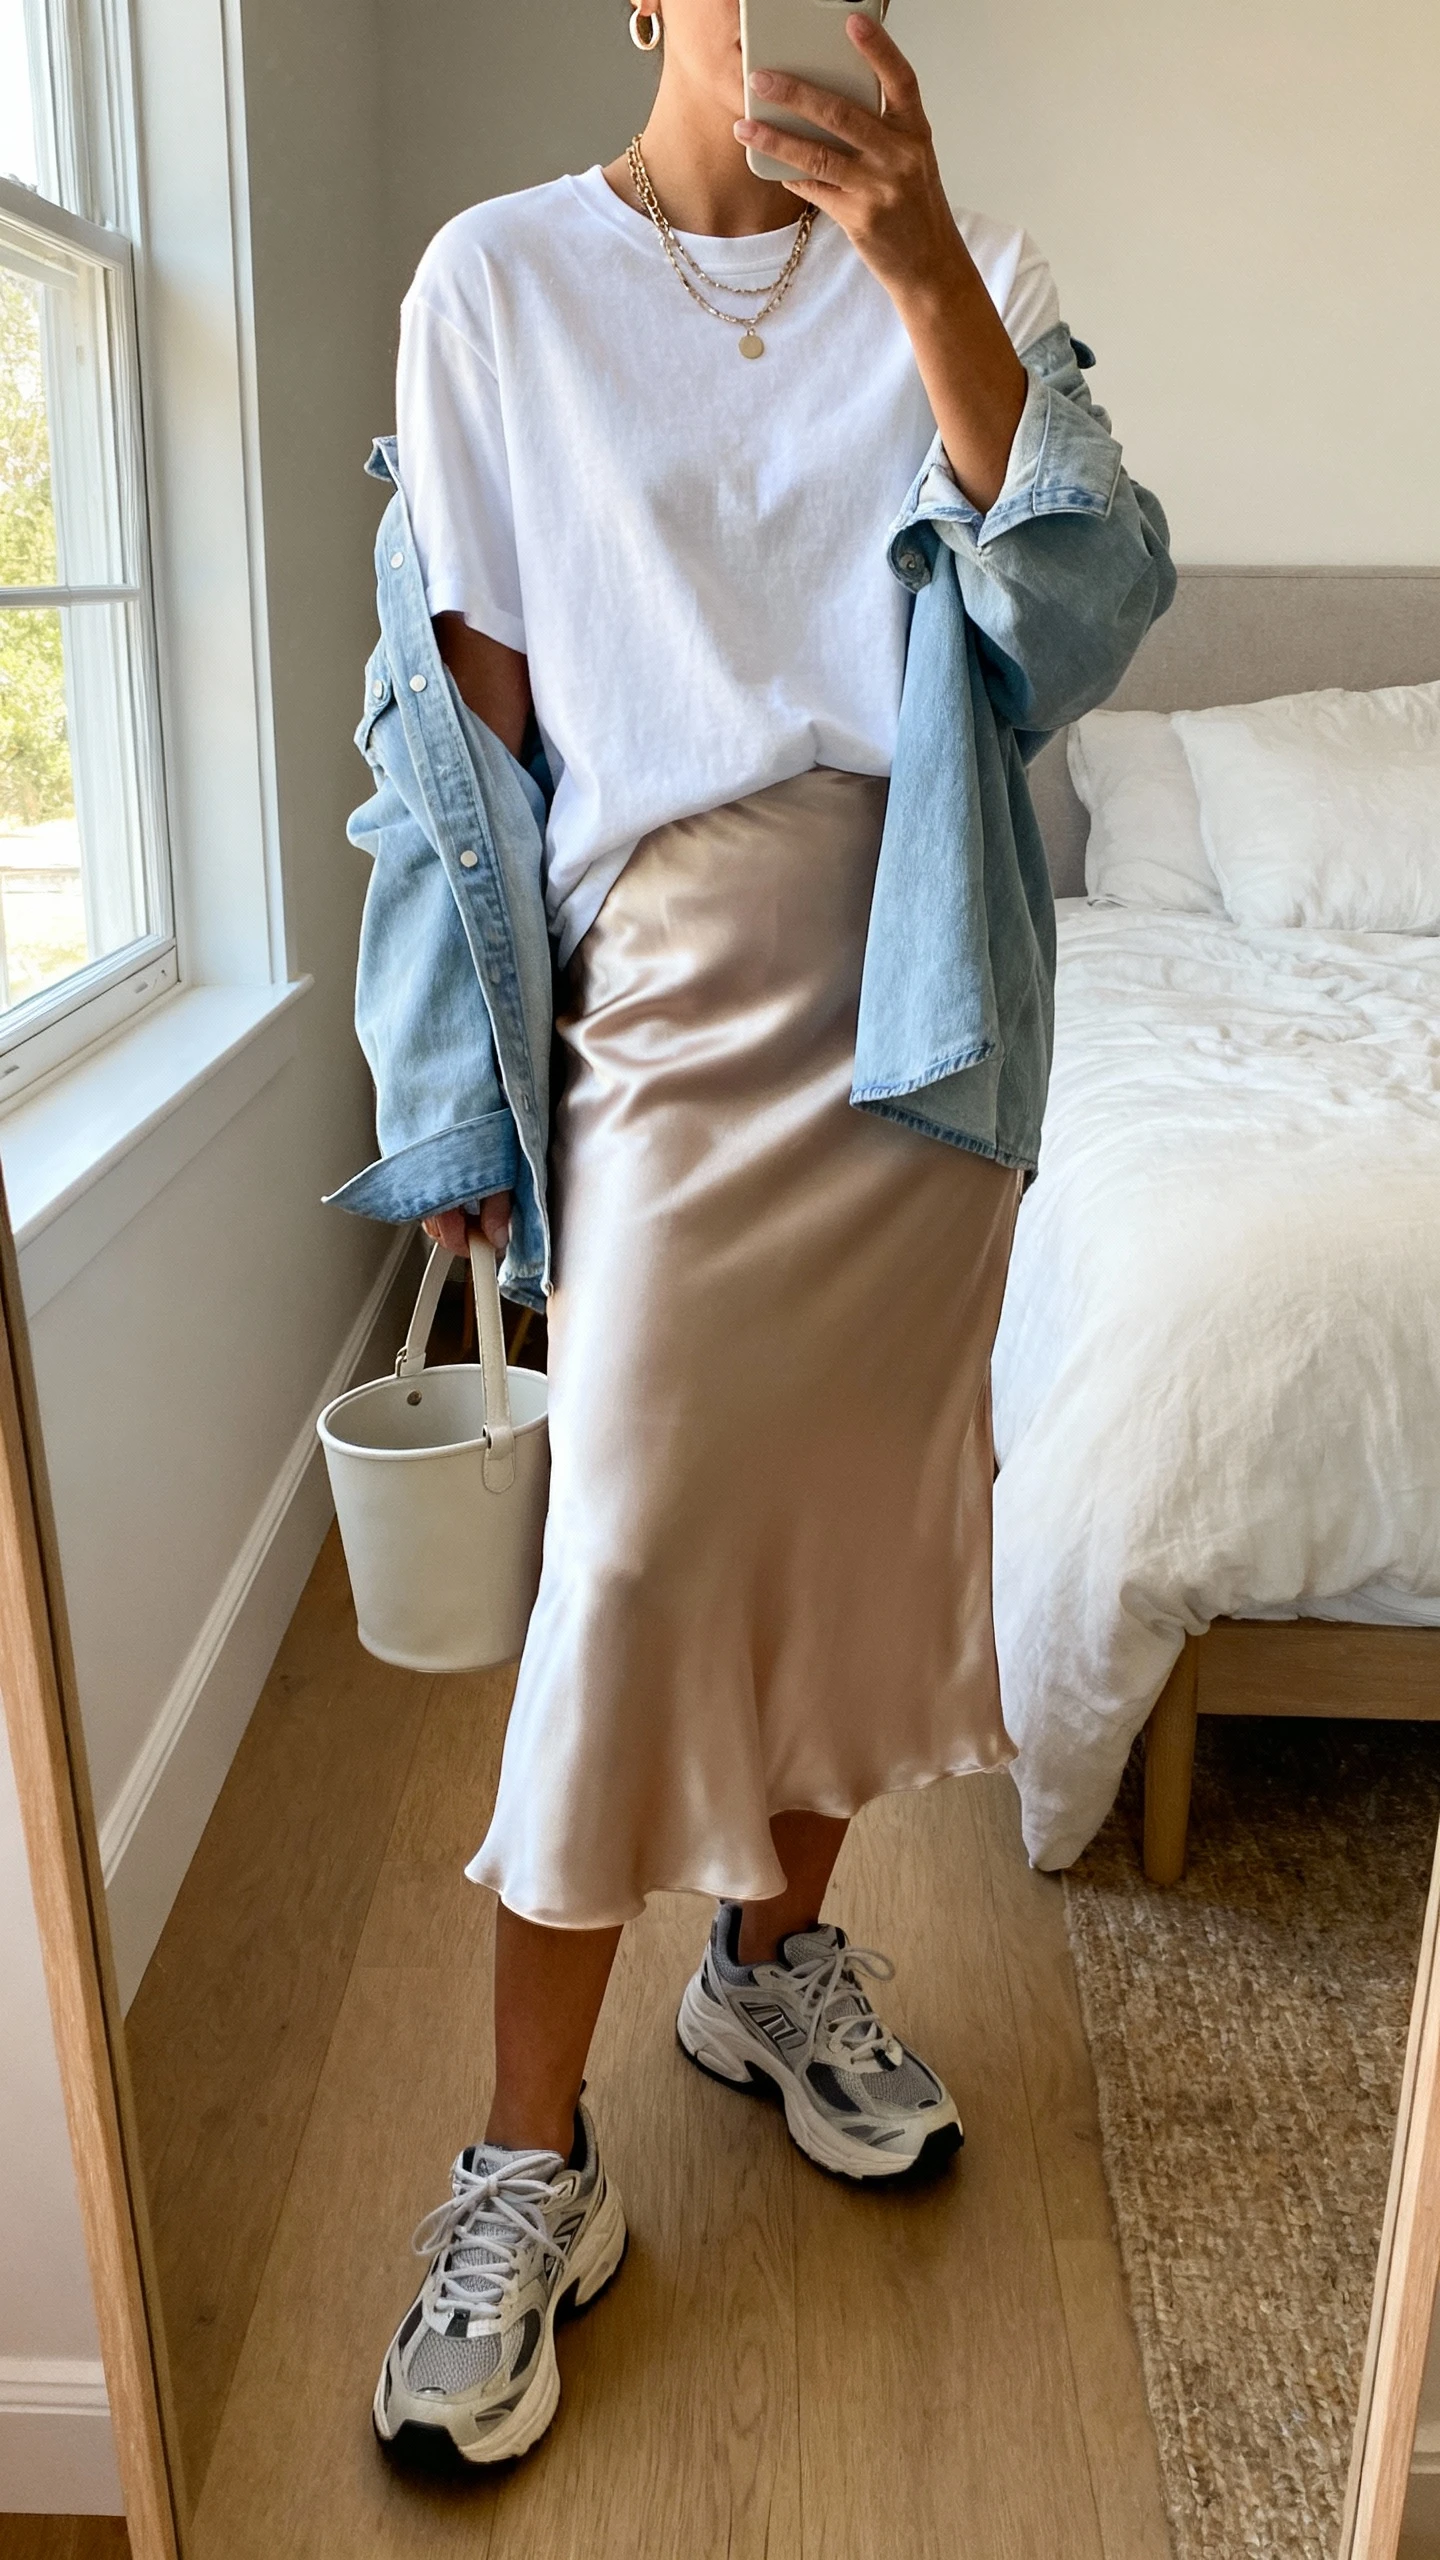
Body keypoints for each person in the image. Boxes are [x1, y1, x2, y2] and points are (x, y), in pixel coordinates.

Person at [338, 0, 1174, 2471]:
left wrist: (921, 278)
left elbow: (1084, 626)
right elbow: (459, 742)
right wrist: (456, 1094)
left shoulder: (975, 272)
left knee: (850, 1538)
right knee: (628, 1564)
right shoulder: (495, 282)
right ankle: (525, 2162)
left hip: (931, 1002)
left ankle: (771, 1960)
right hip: (672, 1007)